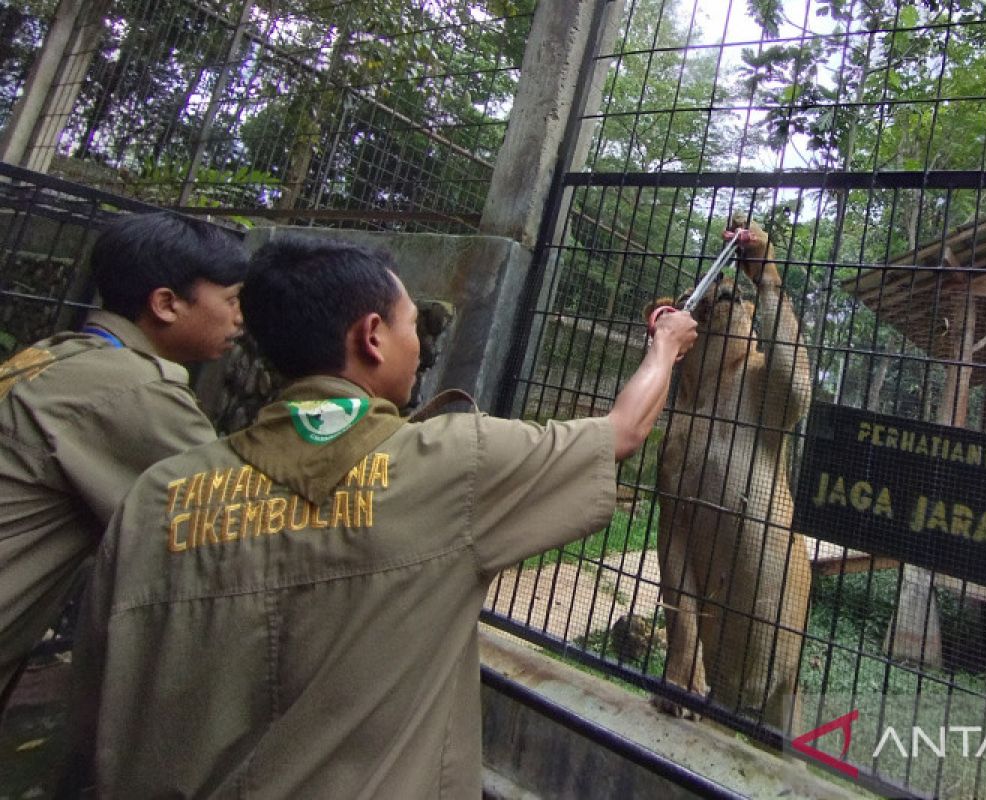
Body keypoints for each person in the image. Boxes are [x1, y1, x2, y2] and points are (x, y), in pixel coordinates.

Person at [72, 236, 697, 798]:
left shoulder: (157, 495)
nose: (418, 341)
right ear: (371, 336)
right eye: (409, 325)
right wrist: (666, 346)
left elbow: (97, 702)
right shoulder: (451, 463)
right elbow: (621, 432)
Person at [0, 212, 247, 712]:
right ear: (166, 304)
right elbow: (244, 520)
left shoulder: (55, 356)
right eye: (231, 300)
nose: (240, 318)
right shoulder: (133, 392)